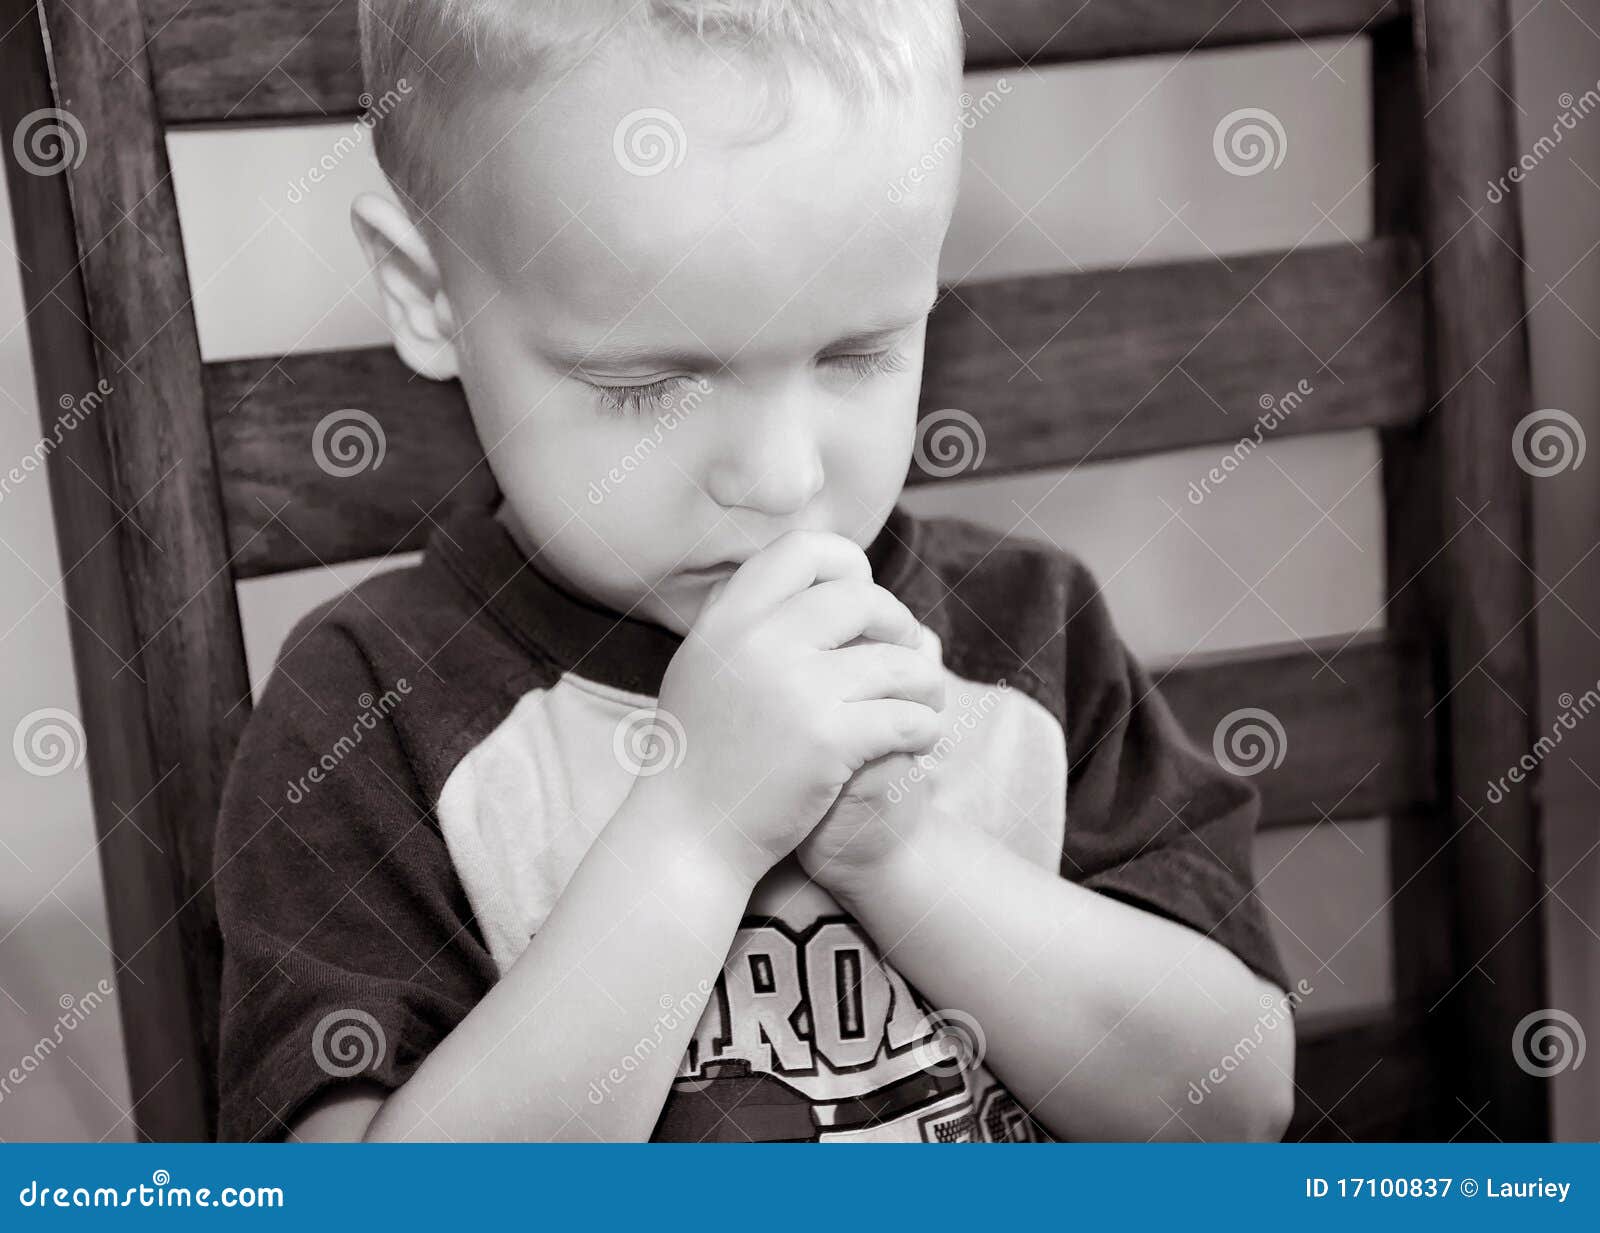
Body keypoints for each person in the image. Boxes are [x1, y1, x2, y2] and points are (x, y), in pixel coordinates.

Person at [213, 0, 1294, 1143]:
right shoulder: (371, 709)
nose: (781, 481)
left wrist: (903, 855)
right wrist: (694, 830)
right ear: (427, 293)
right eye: (646, 384)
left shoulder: (1027, 634)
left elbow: (1230, 1111)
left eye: (858, 352)